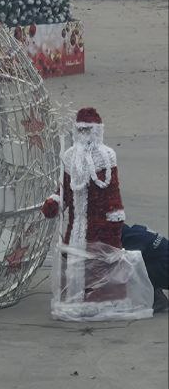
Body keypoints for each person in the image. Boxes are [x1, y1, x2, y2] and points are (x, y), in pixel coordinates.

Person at [41, 106, 153, 320]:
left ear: (97, 131)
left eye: (88, 130)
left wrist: (114, 221)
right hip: (75, 225)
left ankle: (102, 299)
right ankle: (75, 297)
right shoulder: (69, 156)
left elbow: (112, 192)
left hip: (100, 223)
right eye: (80, 130)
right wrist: (54, 202)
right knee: (73, 260)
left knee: (101, 263)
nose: (85, 135)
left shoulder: (107, 156)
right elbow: (64, 188)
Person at [121, 223, 169, 313]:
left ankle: (157, 299)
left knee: (129, 269)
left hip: (165, 269)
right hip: (164, 265)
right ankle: (156, 294)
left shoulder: (131, 240)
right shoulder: (136, 230)